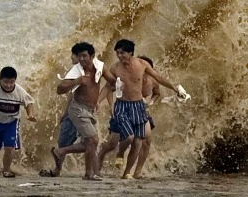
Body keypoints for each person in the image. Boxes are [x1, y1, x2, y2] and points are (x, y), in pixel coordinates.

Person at [95, 39, 189, 180]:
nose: (119, 56)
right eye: (117, 53)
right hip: (122, 106)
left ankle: (127, 173)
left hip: (138, 106)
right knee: (129, 137)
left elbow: (158, 77)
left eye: (122, 53)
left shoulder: (142, 65)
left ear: (131, 53)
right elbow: (108, 87)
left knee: (138, 141)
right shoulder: (115, 68)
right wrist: (98, 101)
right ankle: (120, 154)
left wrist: (174, 88)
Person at [48, 42, 105, 180]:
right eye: (77, 56)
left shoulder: (95, 67)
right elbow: (65, 91)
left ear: (91, 56)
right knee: (71, 140)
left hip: (85, 111)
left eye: (83, 56)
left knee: (91, 142)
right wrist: (65, 112)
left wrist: (99, 100)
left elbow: (109, 82)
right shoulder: (75, 71)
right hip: (74, 111)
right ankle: (58, 169)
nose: (79, 59)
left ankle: (92, 172)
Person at [107, 55, 161, 178]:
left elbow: (157, 94)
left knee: (144, 140)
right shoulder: (129, 78)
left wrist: (150, 103)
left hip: (141, 111)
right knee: (113, 142)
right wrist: (112, 107)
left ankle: (135, 172)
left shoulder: (153, 81)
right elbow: (110, 89)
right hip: (124, 111)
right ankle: (106, 162)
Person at [0, 66, 36, 178]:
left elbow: (29, 102)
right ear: (0, 80)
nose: (8, 85)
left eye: (11, 82)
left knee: (9, 148)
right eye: (5, 82)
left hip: (11, 123)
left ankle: (6, 170)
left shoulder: (19, 91)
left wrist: (30, 115)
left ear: (15, 81)